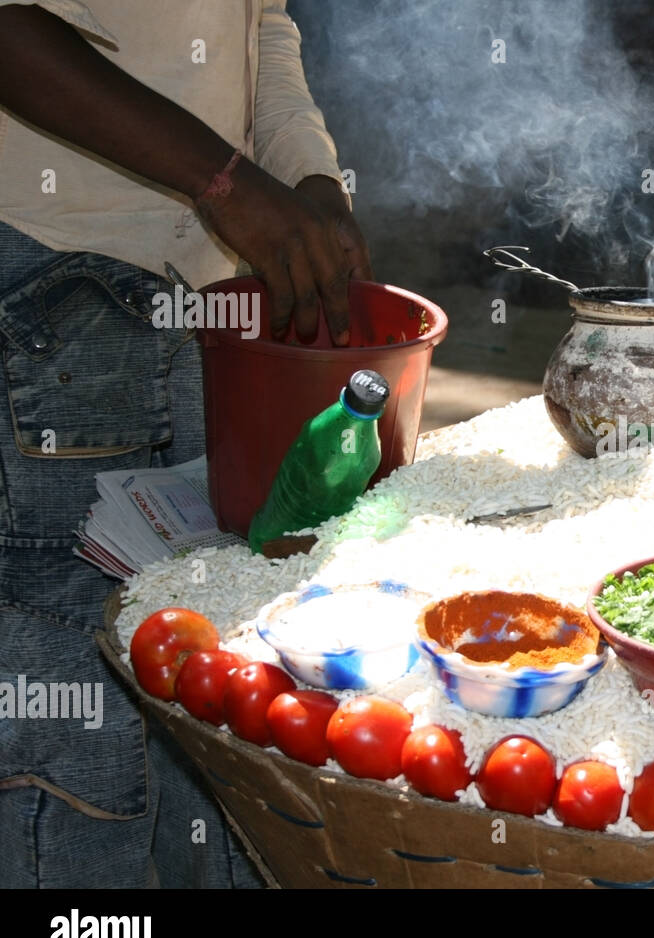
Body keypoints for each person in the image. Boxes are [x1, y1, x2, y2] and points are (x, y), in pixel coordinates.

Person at [0, 0, 370, 887]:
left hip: (206, 308)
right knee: (74, 699)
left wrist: (310, 178)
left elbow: (260, 24)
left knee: (210, 658)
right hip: (52, 294)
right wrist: (231, 190)